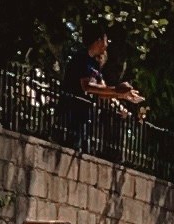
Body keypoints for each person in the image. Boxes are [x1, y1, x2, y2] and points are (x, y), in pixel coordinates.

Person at [56, 25, 143, 157]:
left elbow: (102, 89)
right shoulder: (81, 58)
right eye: (105, 40)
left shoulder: (94, 64)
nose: (107, 44)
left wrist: (123, 97)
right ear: (98, 41)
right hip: (70, 114)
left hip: (85, 118)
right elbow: (88, 87)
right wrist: (118, 90)